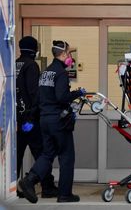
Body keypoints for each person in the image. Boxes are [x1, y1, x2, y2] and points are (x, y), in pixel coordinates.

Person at [19, 40, 86, 204]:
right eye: (69, 53)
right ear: (63, 54)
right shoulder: (61, 73)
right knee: (66, 156)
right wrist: (78, 93)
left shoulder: (45, 72)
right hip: (58, 121)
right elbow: (61, 97)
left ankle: (29, 180)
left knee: (47, 154)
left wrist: (31, 118)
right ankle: (64, 194)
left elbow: (37, 98)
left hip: (45, 121)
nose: (70, 56)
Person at [15, 36, 58, 199]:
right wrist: (35, 116)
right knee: (42, 154)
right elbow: (34, 93)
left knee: (16, 157)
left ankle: (13, 187)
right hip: (30, 120)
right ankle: (47, 187)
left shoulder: (15, 64)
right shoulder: (31, 65)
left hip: (16, 120)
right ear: (34, 49)